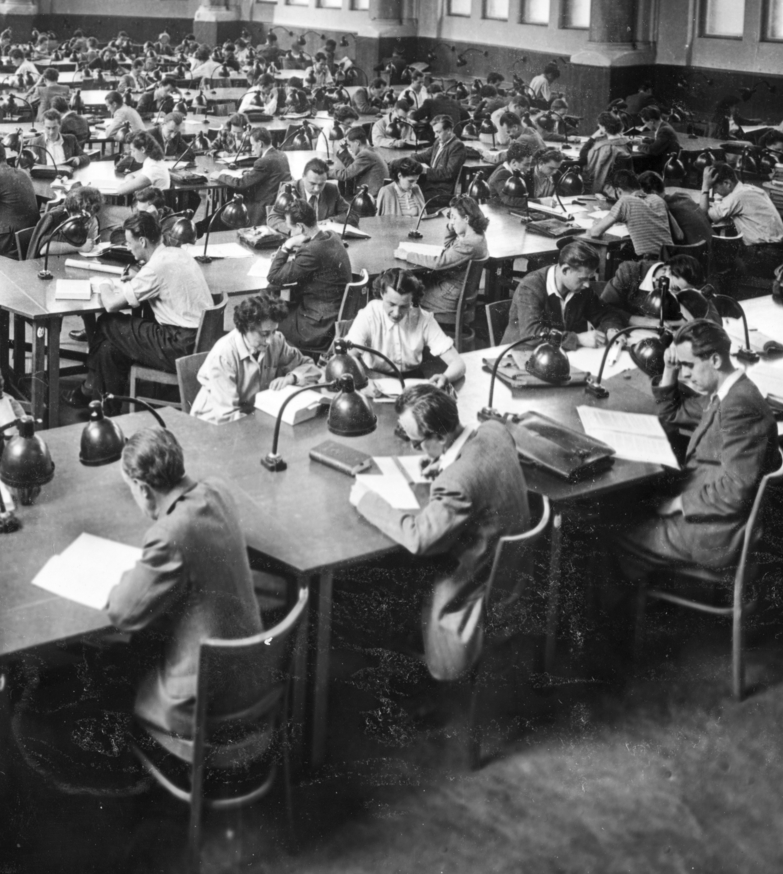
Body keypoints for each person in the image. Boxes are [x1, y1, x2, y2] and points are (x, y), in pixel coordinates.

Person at [351, 385, 531, 680]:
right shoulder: (494, 430)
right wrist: (444, 462)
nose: (413, 448)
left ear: (441, 436)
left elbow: (420, 537)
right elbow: (482, 468)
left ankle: (400, 672)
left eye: (417, 442)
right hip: (514, 569)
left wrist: (366, 500)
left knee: (386, 577)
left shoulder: (455, 484)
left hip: (475, 586)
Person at [104, 428, 266, 754]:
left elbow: (123, 613)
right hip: (255, 674)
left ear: (144, 489)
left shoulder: (168, 534)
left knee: (113, 658)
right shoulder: (218, 490)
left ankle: (124, 770)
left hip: (207, 701)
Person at [614, 320, 779, 572]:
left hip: (715, 533)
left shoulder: (738, 406)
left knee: (612, 529)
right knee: (628, 511)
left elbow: (734, 491)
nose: (685, 375)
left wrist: (679, 503)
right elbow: (673, 414)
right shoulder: (727, 392)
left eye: (689, 365)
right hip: (707, 508)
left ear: (714, 360)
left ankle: (624, 606)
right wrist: (670, 367)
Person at [72, 211, 213, 404]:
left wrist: (104, 284)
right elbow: (161, 281)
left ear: (143, 241)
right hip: (200, 340)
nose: (128, 248)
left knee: (107, 321)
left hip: (179, 345)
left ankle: (92, 386)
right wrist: (138, 279)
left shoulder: (155, 268)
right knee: (109, 347)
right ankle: (105, 403)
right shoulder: (176, 253)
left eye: (129, 243)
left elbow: (112, 305)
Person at [189, 294, 319, 423]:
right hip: (214, 424)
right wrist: (266, 425)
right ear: (245, 328)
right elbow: (227, 416)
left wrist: (292, 378)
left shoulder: (276, 341)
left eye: (273, 331)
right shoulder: (223, 356)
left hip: (252, 416)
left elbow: (310, 367)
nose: (269, 340)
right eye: (264, 334)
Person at [344, 268, 466, 388]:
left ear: (412, 300)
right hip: (375, 380)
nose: (396, 313)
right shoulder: (369, 315)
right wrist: (363, 382)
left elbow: (458, 364)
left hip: (412, 381)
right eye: (391, 304)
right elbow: (347, 360)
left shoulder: (423, 318)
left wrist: (445, 377)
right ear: (382, 294)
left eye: (404, 306)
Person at [501, 239, 625, 347]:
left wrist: (612, 330)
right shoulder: (531, 286)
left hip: (553, 353)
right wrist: (577, 339)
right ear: (565, 270)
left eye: (590, 278)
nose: (587, 284)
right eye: (582, 279)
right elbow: (532, 333)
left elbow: (606, 313)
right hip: (518, 354)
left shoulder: (581, 289)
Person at [267, 200, 353, 353]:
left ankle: (275, 358)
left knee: (267, 313)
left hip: (316, 327)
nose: (290, 233)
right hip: (331, 317)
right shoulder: (331, 236)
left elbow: (273, 276)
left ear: (300, 227)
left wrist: (288, 245)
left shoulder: (311, 251)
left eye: (291, 229)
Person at [404, 194, 489, 319]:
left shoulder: (469, 243)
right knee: (416, 279)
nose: (452, 221)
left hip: (449, 296)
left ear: (466, 218)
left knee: (407, 291)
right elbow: (450, 246)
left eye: (454, 217)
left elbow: (439, 262)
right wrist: (451, 227)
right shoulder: (476, 235)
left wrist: (407, 255)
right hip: (454, 288)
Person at [600, 252, 718, 325]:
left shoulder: (684, 286)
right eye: (675, 288)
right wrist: (647, 322)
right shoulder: (630, 272)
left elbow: (712, 320)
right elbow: (603, 309)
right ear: (665, 270)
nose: (676, 297)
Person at [215, 125, 291, 226]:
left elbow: (241, 183)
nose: (251, 149)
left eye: (252, 144)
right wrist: (251, 172)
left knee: (230, 209)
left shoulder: (263, 162)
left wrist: (219, 176)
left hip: (262, 209)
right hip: (278, 206)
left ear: (260, 144)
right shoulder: (282, 155)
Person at [587, 170, 673, 259]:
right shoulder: (658, 199)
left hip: (649, 263)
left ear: (619, 191)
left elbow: (595, 232)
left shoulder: (625, 201)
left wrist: (596, 225)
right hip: (671, 259)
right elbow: (678, 234)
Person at [266, 156, 353, 232]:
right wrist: (292, 230)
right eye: (312, 183)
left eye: (321, 184)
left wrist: (331, 221)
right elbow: (273, 218)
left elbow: (352, 215)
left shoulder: (332, 189)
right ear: (303, 177)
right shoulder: (289, 191)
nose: (317, 189)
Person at [330, 123, 389, 199]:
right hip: (373, 193)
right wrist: (343, 151)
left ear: (357, 143)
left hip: (371, 197)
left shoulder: (365, 155)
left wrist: (325, 171)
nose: (349, 148)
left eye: (349, 145)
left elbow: (346, 175)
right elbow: (354, 168)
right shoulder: (370, 151)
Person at [418, 115, 469, 203]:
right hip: (430, 185)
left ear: (449, 130)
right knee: (405, 191)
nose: (435, 136)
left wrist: (426, 171)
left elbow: (449, 173)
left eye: (438, 132)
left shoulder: (457, 146)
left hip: (442, 191)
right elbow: (425, 156)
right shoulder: (439, 142)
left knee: (411, 196)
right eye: (434, 132)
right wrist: (407, 159)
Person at [110, 132, 171, 198]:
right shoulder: (152, 161)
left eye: (133, 151)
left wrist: (131, 185)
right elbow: (130, 175)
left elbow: (121, 190)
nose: (132, 154)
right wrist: (133, 184)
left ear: (142, 149)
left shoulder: (153, 168)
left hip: (153, 206)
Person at [484, 137, 537, 209]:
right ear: (514, 162)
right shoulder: (502, 174)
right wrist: (540, 201)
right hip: (496, 213)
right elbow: (510, 200)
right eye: (526, 164)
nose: (528, 169)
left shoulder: (514, 171)